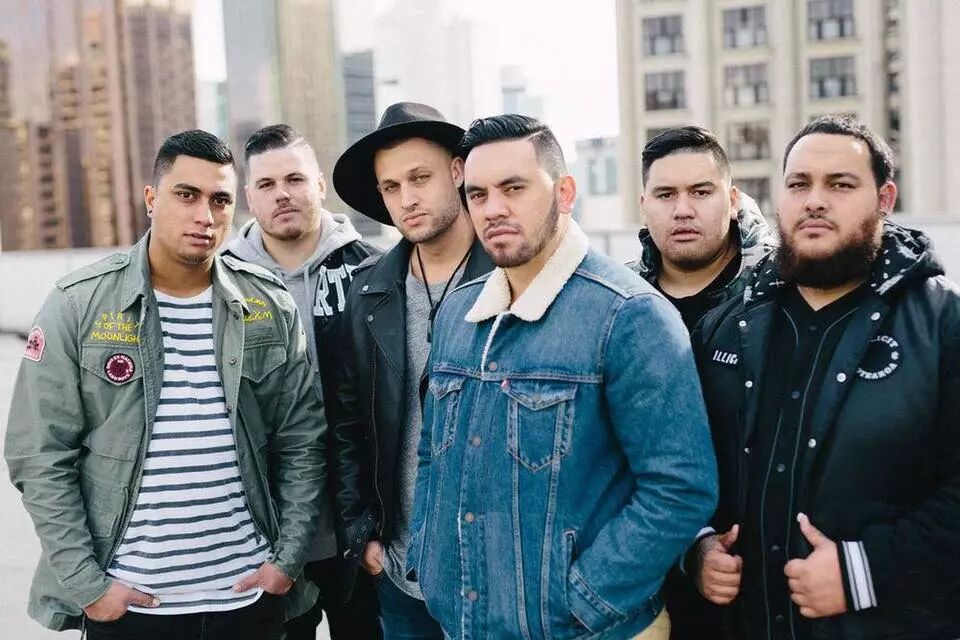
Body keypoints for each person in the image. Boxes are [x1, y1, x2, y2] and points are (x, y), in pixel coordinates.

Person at [406, 114, 718, 639]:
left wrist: (579, 600)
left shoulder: (630, 315)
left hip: (586, 629)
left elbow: (679, 488)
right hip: (464, 622)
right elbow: (431, 455)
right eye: (478, 194)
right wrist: (428, 558)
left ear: (564, 192)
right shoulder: (459, 312)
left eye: (514, 188)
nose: (493, 209)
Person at [5, 130, 326, 639]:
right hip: (131, 607)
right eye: (187, 195)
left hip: (248, 600)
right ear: (152, 199)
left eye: (220, 200)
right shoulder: (78, 304)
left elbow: (302, 440)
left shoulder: (269, 304)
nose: (205, 215)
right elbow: (38, 454)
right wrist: (88, 586)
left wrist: (286, 560)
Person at [692, 115, 960, 639]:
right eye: (799, 184)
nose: (814, 201)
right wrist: (695, 549)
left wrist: (867, 572)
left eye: (840, 184)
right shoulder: (726, 326)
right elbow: (680, 469)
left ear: (884, 199)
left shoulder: (942, 325)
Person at [329, 102, 494, 639]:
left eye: (420, 178)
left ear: (458, 171)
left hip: (498, 571)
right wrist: (362, 535)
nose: (407, 199)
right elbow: (347, 425)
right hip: (403, 572)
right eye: (391, 187)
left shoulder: (511, 275)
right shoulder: (368, 291)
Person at [223, 124, 381, 639]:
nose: (282, 194)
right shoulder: (221, 283)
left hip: (361, 528)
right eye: (266, 184)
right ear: (249, 197)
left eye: (294, 179)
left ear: (320, 185)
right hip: (265, 531)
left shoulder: (374, 272)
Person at [628, 126, 776, 331]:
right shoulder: (619, 294)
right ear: (644, 206)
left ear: (733, 201)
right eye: (666, 195)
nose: (682, 211)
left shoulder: (782, 285)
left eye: (700, 193)